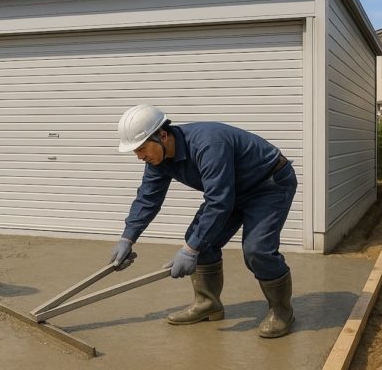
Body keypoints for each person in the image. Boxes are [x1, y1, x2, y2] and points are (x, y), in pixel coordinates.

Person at [109, 104, 298, 338]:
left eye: (141, 148)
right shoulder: (158, 160)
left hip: (268, 183)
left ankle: (281, 311)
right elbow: (148, 198)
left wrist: (190, 250)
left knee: (257, 250)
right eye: (136, 152)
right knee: (200, 240)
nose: (140, 157)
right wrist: (128, 237)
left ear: (163, 136)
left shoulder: (208, 144)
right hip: (232, 189)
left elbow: (219, 202)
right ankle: (208, 304)